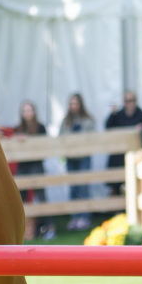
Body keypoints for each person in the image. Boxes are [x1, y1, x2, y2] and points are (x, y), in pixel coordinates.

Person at [13, 100, 54, 240]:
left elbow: (44, 145)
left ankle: (48, 228)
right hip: (23, 165)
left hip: (36, 165)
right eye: (25, 111)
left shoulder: (41, 127)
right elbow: (13, 147)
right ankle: (21, 229)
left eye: (29, 110)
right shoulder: (18, 128)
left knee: (41, 197)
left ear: (34, 112)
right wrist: (18, 140)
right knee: (20, 198)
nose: (27, 113)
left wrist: (28, 139)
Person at [59, 92, 95, 231]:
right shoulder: (66, 121)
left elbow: (90, 137)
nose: (73, 106)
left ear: (80, 104)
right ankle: (75, 217)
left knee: (83, 187)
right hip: (71, 157)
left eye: (76, 103)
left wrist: (78, 136)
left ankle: (84, 218)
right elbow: (61, 137)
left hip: (84, 157)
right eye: (71, 103)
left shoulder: (88, 120)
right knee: (73, 188)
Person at [104, 91, 142, 194]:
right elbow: (108, 127)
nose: (129, 103)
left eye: (132, 100)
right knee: (116, 183)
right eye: (127, 101)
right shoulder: (118, 115)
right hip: (119, 155)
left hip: (135, 153)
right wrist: (112, 114)